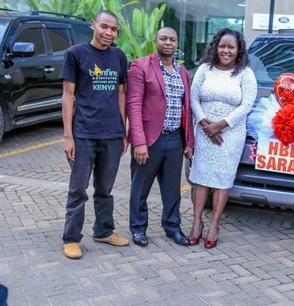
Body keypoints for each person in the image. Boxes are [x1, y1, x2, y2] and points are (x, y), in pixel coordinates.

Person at [60, 10, 129, 259]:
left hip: (111, 135)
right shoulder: (76, 54)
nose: (109, 33)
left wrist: (124, 130)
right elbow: (68, 96)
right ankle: (71, 238)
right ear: (93, 25)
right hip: (84, 134)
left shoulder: (119, 57)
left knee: (105, 188)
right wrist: (69, 136)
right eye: (104, 26)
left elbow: (121, 94)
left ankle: (103, 230)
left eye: (113, 29)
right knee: (78, 189)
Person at [188, 28, 257, 249]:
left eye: (231, 47)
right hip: (204, 130)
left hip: (230, 134)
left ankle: (214, 224)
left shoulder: (245, 73)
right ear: (215, 47)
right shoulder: (204, 70)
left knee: (222, 180)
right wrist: (204, 123)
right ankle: (197, 222)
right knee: (201, 178)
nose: (226, 50)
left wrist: (221, 125)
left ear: (238, 51)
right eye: (222, 46)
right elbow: (193, 98)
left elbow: (246, 105)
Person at [127, 27, 194, 247]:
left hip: (175, 139)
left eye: (172, 39)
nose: (168, 42)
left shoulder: (182, 71)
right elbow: (134, 105)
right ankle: (138, 228)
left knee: (172, 189)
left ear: (177, 44)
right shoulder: (141, 66)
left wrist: (189, 142)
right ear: (155, 41)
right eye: (163, 38)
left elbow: (188, 109)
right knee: (140, 188)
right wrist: (139, 142)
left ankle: (172, 226)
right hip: (149, 140)